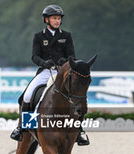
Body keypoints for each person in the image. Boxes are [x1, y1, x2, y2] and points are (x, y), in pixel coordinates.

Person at [10, 4, 90, 146]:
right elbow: (34, 57)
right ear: (46, 20)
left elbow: (72, 56)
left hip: (62, 72)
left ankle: (79, 131)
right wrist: (44, 62)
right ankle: (22, 127)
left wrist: (64, 61)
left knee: (76, 96)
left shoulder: (66, 36)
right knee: (27, 96)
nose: (57, 21)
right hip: (45, 72)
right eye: (54, 18)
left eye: (59, 18)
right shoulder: (39, 37)